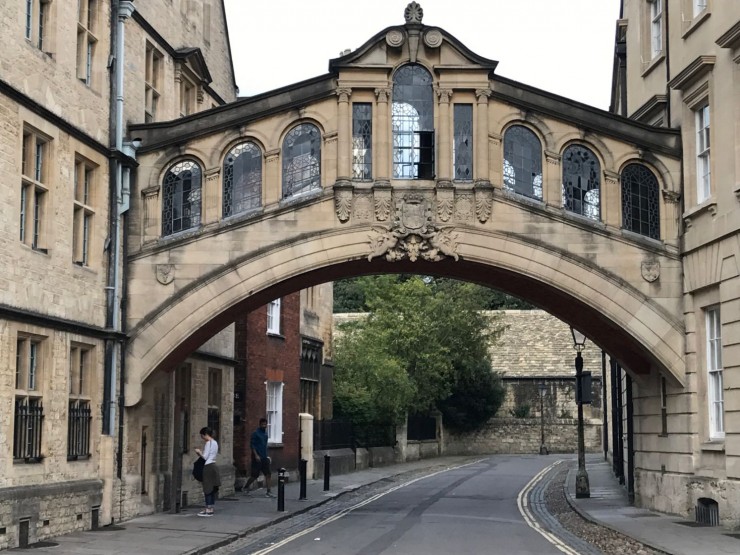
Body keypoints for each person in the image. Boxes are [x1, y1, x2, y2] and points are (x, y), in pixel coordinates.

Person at [195, 427, 221, 516]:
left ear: (205, 434)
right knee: (212, 488)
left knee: (207, 488)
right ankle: (210, 507)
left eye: (202, 436)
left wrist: (199, 452)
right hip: (213, 465)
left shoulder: (208, 443)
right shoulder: (215, 442)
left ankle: (208, 509)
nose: (202, 438)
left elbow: (205, 457)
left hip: (208, 466)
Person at [244, 418, 273, 497]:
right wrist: (256, 455)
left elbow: (265, 446)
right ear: (260, 424)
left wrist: (267, 456)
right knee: (254, 475)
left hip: (264, 457)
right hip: (257, 458)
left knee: (268, 474)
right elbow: (252, 445)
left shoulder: (266, 434)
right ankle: (246, 487)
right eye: (262, 424)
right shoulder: (255, 434)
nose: (264, 426)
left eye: (265, 424)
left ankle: (269, 491)